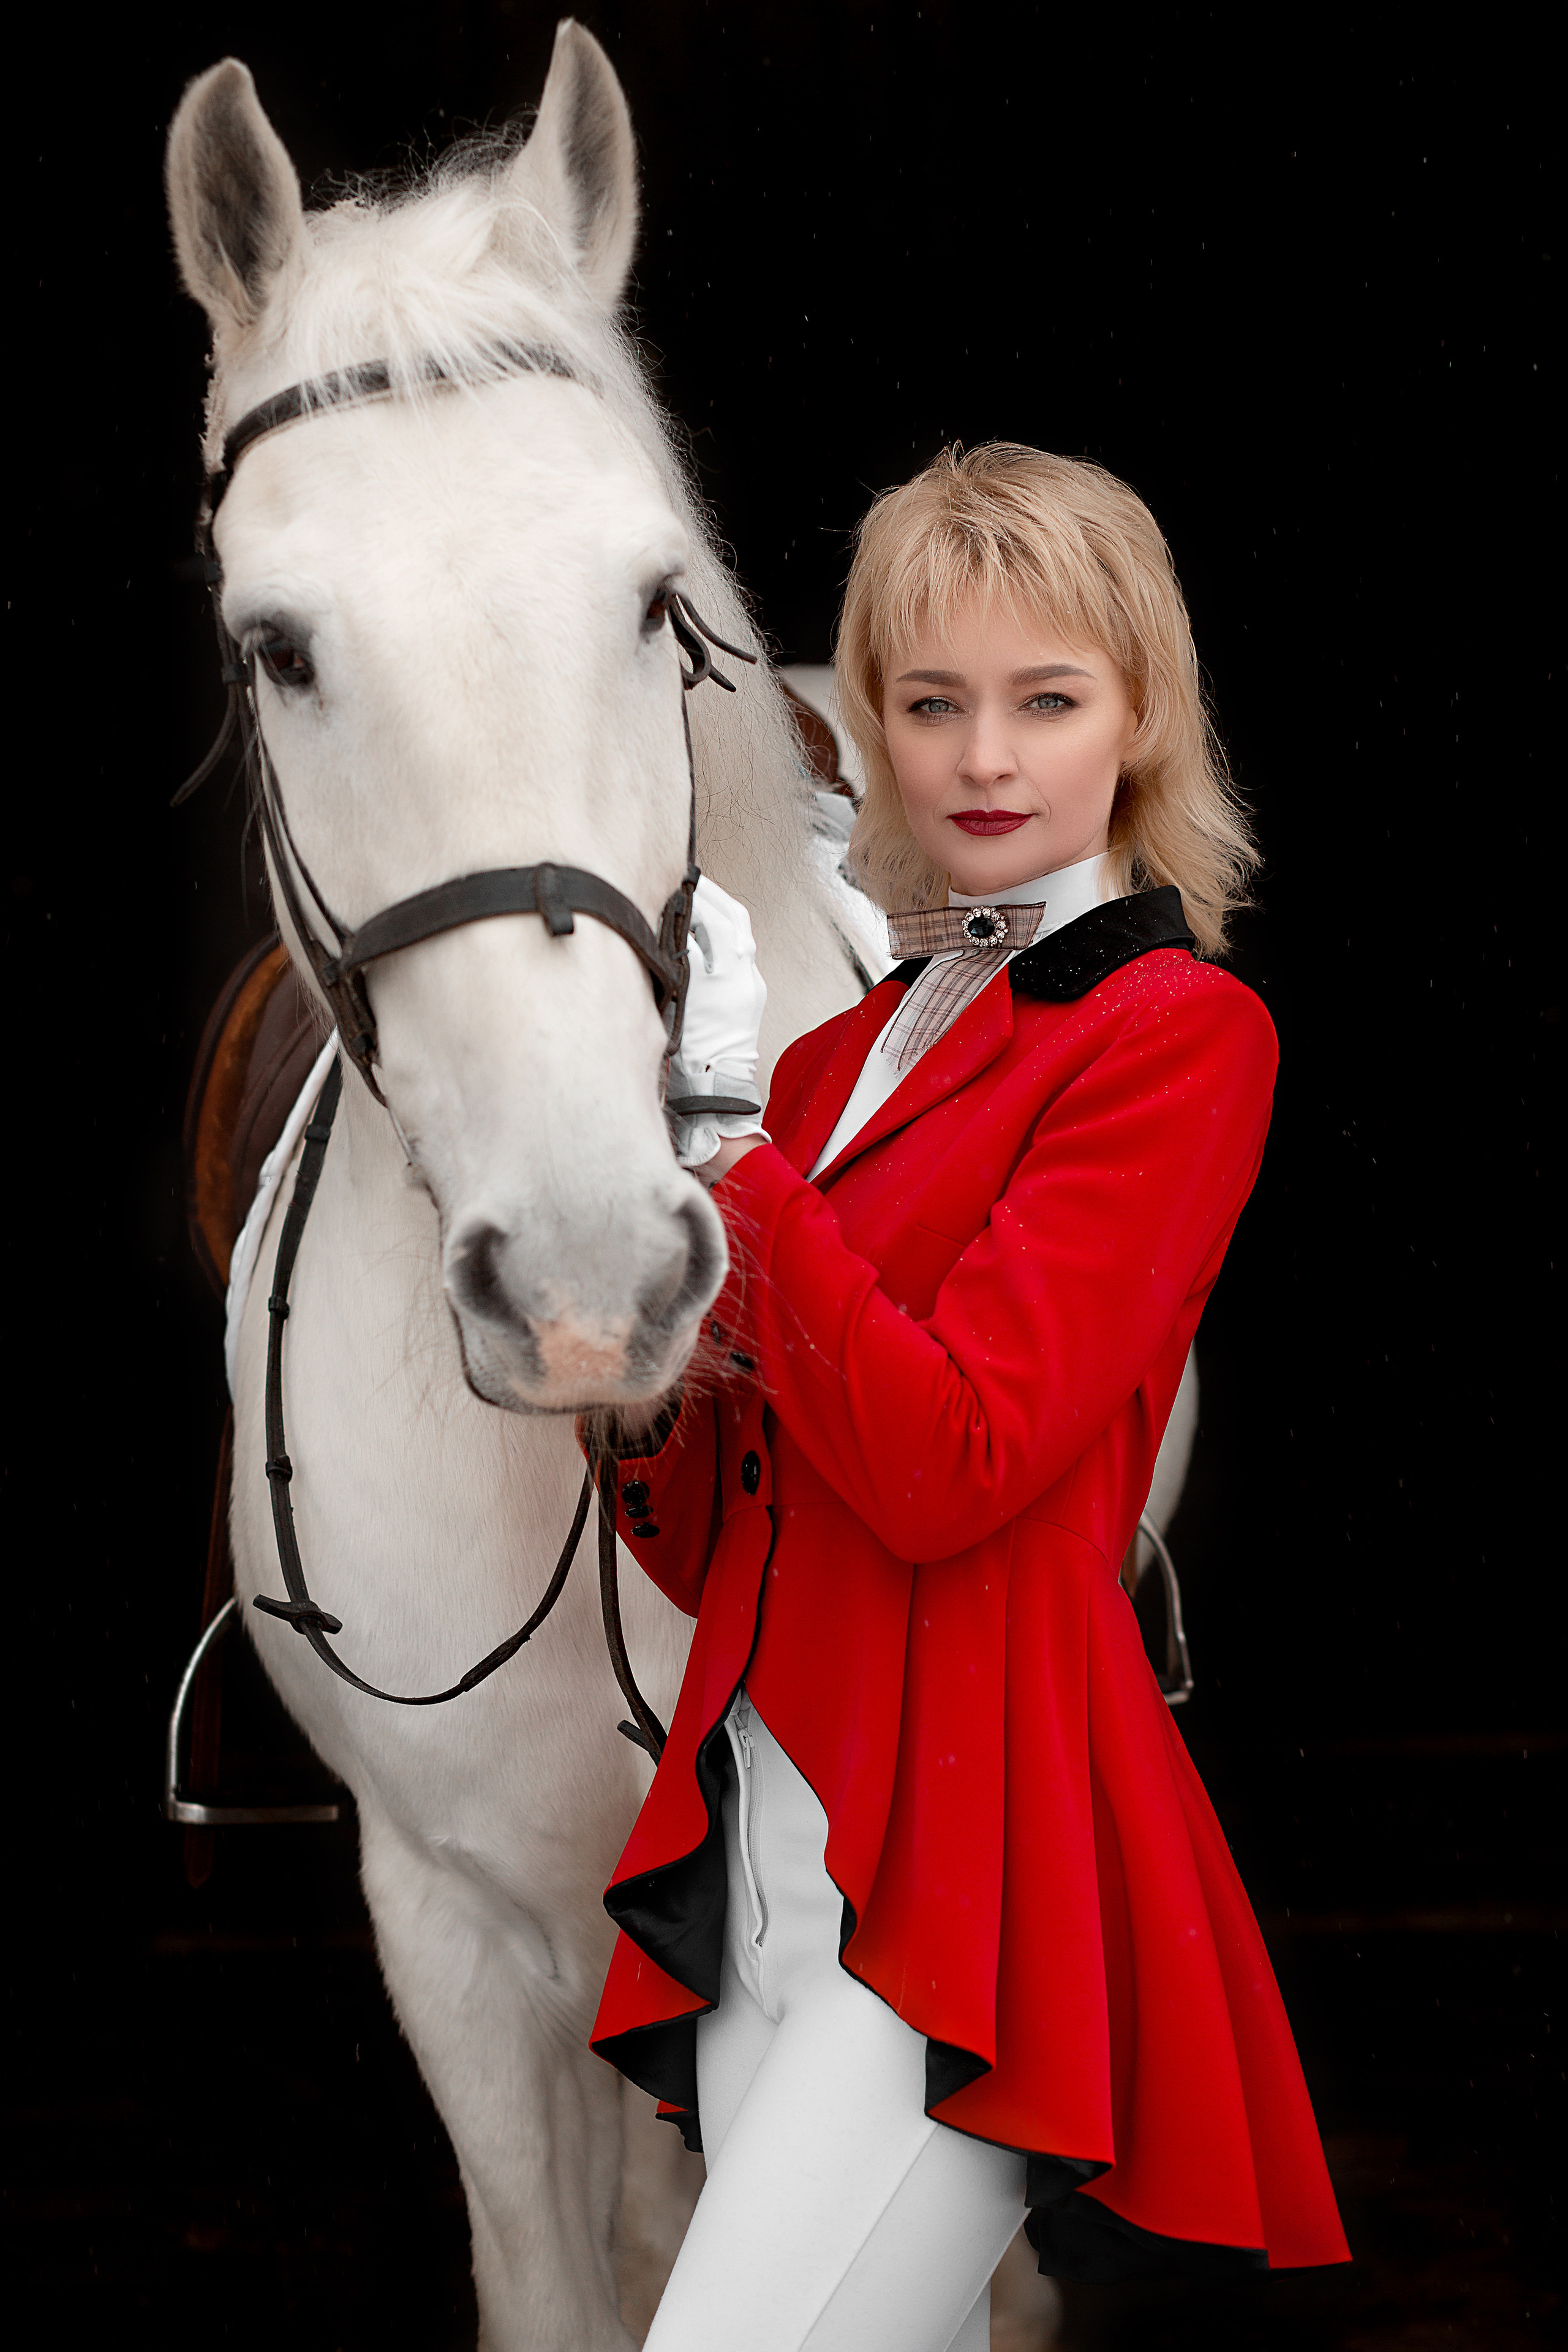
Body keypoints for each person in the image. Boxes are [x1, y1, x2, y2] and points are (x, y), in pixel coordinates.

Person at [588, 445, 1349, 2351]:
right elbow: (714, 1541)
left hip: (969, 1856)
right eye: (930, 705)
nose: (984, 757)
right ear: (871, 734)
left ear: (1141, 715)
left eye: (1046, 699)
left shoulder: (1180, 1037)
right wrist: (633, 1353)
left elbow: (953, 1466)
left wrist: (738, 1162)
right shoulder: (835, 1050)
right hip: (766, 1816)